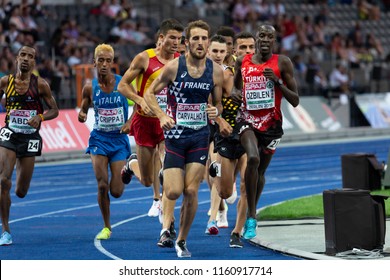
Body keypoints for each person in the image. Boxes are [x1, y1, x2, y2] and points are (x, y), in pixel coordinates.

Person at [143, 19, 227, 258]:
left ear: (208, 41)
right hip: (175, 137)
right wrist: (160, 115)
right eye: (196, 38)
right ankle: (166, 174)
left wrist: (216, 112)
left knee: (191, 191)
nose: (200, 43)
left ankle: (181, 240)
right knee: (172, 192)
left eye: (204, 38)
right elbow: (149, 93)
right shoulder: (173, 68)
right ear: (187, 42)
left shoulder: (216, 71)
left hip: (199, 137)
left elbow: (218, 103)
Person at [233, 25, 299, 240]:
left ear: (274, 41)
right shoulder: (242, 61)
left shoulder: (282, 63)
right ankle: (251, 217)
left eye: (270, 36)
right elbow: (235, 86)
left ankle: (253, 211)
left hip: (272, 125)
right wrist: (235, 93)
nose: (265, 39)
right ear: (256, 38)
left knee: (260, 172)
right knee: (252, 158)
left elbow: (295, 100)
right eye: (261, 35)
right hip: (247, 119)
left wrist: (277, 82)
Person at [118, 18, 184, 218]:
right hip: (144, 121)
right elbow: (122, 85)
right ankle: (131, 164)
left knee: (167, 166)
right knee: (147, 179)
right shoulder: (144, 58)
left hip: (167, 121)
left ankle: (164, 210)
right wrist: (139, 98)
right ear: (161, 38)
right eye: (172, 37)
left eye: (179, 39)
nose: (175, 42)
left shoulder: (180, 60)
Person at [0, 45, 59, 246]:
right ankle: (5, 230)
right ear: (17, 58)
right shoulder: (5, 82)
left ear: (34, 62)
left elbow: (55, 110)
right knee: (3, 181)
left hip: (30, 138)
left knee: (21, 191)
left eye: (30, 56)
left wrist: (40, 116)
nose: (26, 59)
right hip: (9, 135)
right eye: (23, 55)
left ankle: (18, 167)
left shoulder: (41, 84)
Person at [77, 43, 136, 240]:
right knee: (102, 185)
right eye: (100, 60)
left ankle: (128, 168)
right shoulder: (89, 87)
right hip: (99, 140)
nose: (103, 64)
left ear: (113, 62)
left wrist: (129, 122)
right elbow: (85, 106)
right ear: (94, 62)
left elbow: (139, 104)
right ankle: (106, 226)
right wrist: (83, 113)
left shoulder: (123, 85)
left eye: (108, 60)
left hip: (119, 141)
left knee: (117, 192)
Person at [205, 34, 234, 236]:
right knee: (208, 173)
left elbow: (225, 102)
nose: (218, 55)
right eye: (214, 51)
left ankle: (212, 219)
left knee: (215, 169)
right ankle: (221, 207)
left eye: (222, 51)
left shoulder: (226, 73)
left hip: (215, 126)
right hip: (195, 126)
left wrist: (218, 113)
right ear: (207, 50)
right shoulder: (193, 70)